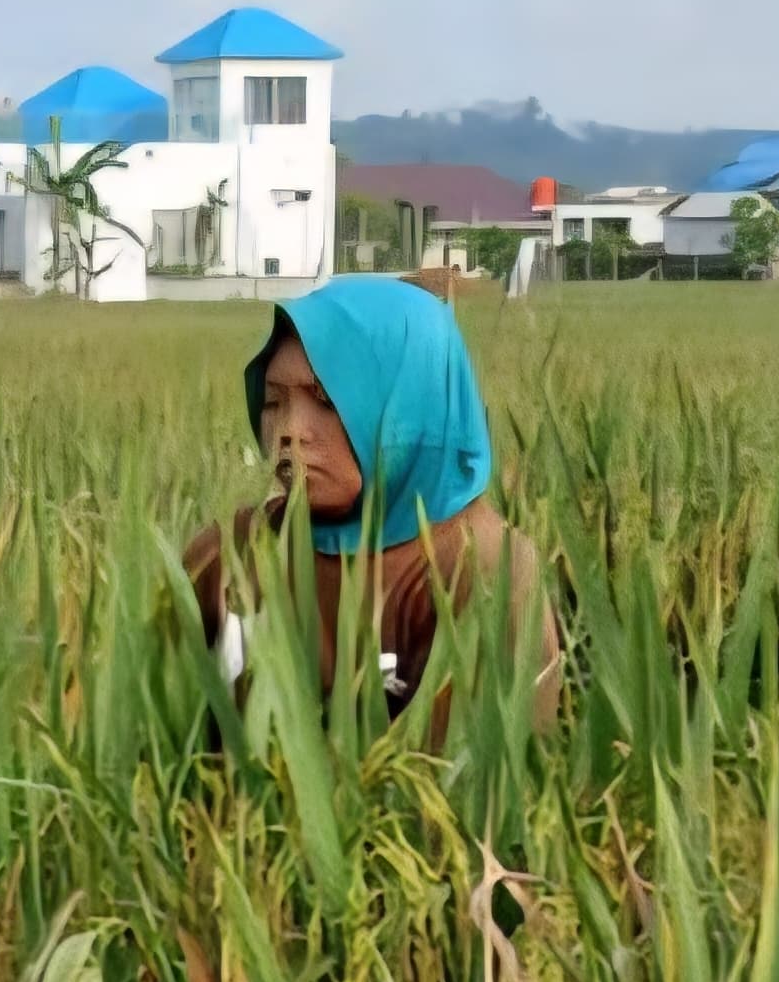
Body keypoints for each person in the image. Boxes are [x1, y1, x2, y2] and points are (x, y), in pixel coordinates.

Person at [184, 272, 561, 728]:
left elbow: (474, 776)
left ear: (410, 406)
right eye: (273, 401)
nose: (289, 430)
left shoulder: (484, 572)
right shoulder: (229, 554)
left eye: (325, 400)